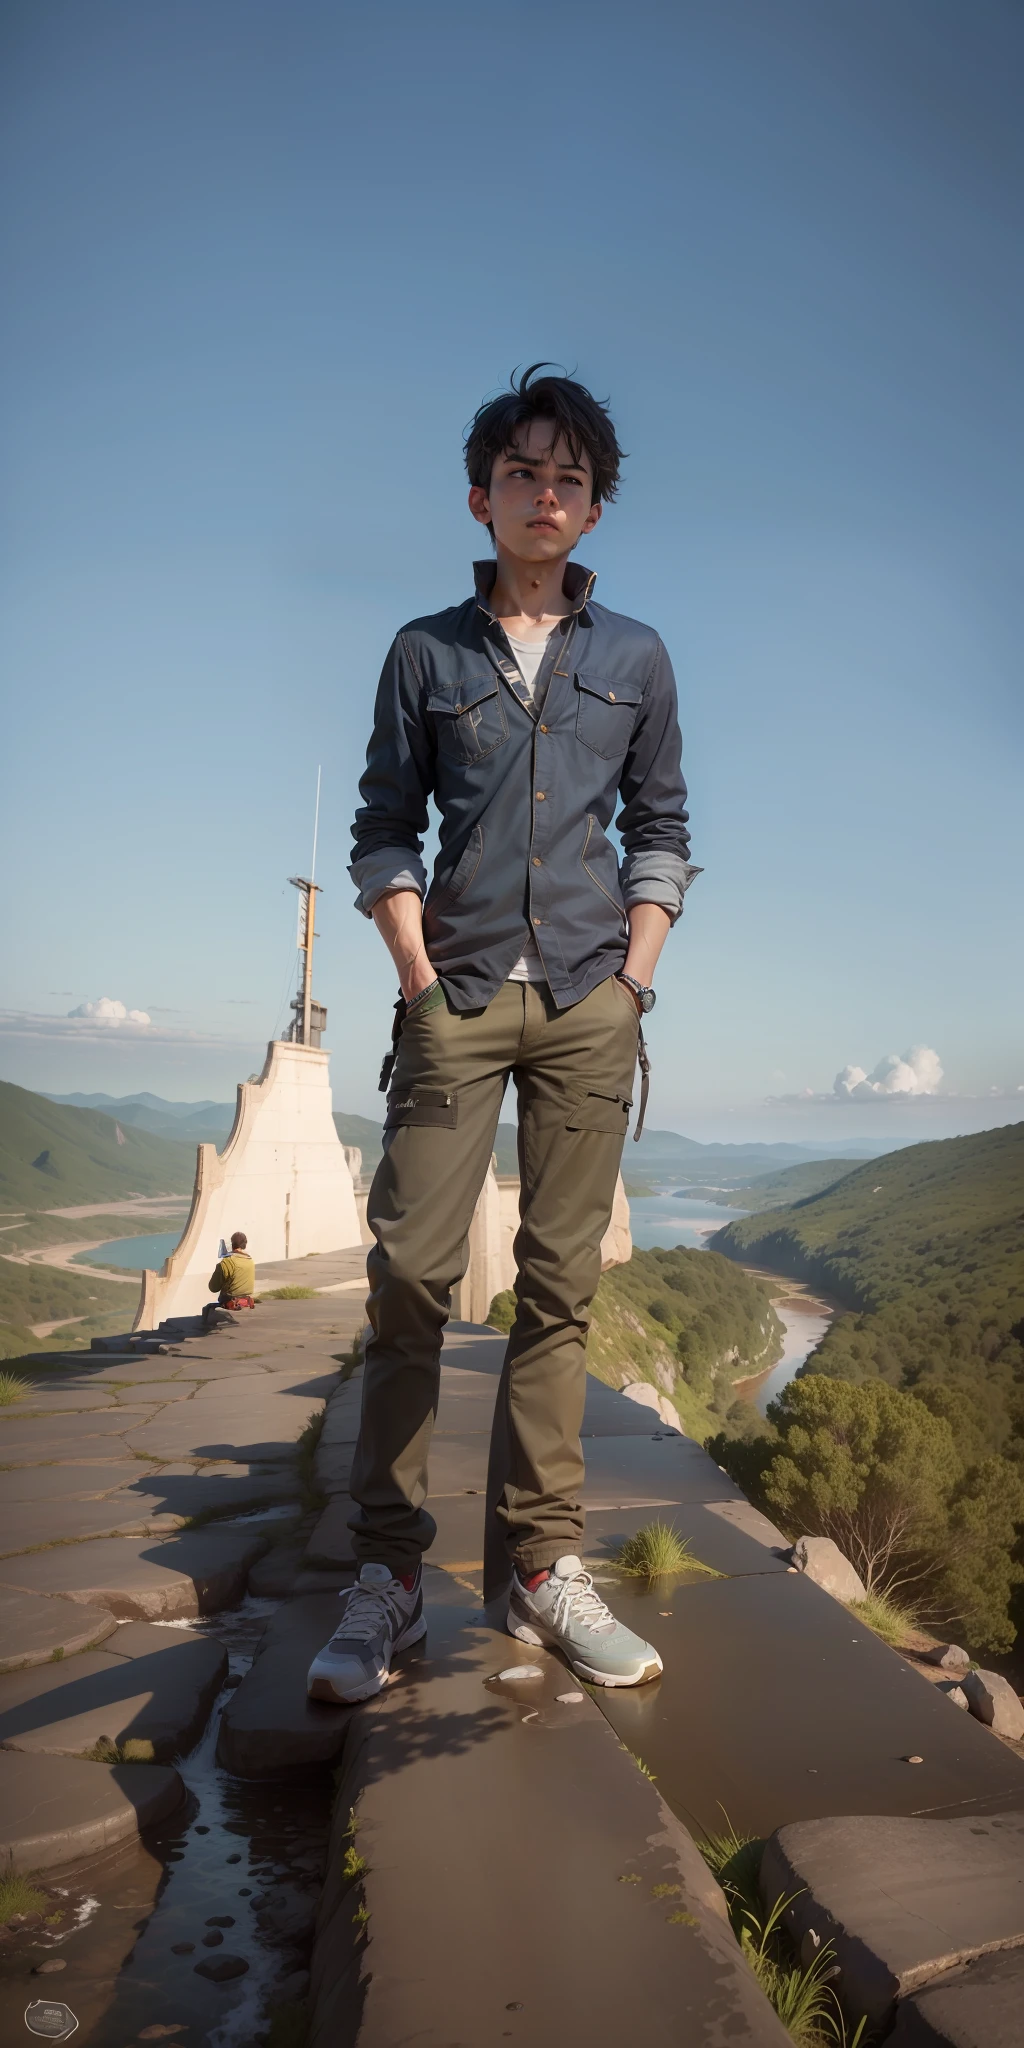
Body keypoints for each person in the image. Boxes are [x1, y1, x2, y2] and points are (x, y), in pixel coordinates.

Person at [307, 365, 697, 1707]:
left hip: (590, 998)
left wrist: (633, 982)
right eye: (524, 472)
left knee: (559, 1291)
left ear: (592, 513)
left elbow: (663, 827)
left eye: (570, 478)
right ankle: (387, 1578)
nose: (546, 492)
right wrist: (413, 968)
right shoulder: (427, 653)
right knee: (412, 1274)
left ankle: (539, 1571)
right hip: (456, 995)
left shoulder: (637, 658)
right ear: (482, 497)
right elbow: (381, 825)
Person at [202, 1231, 256, 1330]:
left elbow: (213, 1288)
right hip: (248, 1300)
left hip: (230, 1301)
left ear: (232, 1244)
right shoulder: (250, 1261)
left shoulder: (226, 1262)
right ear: (245, 1244)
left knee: (207, 1310)